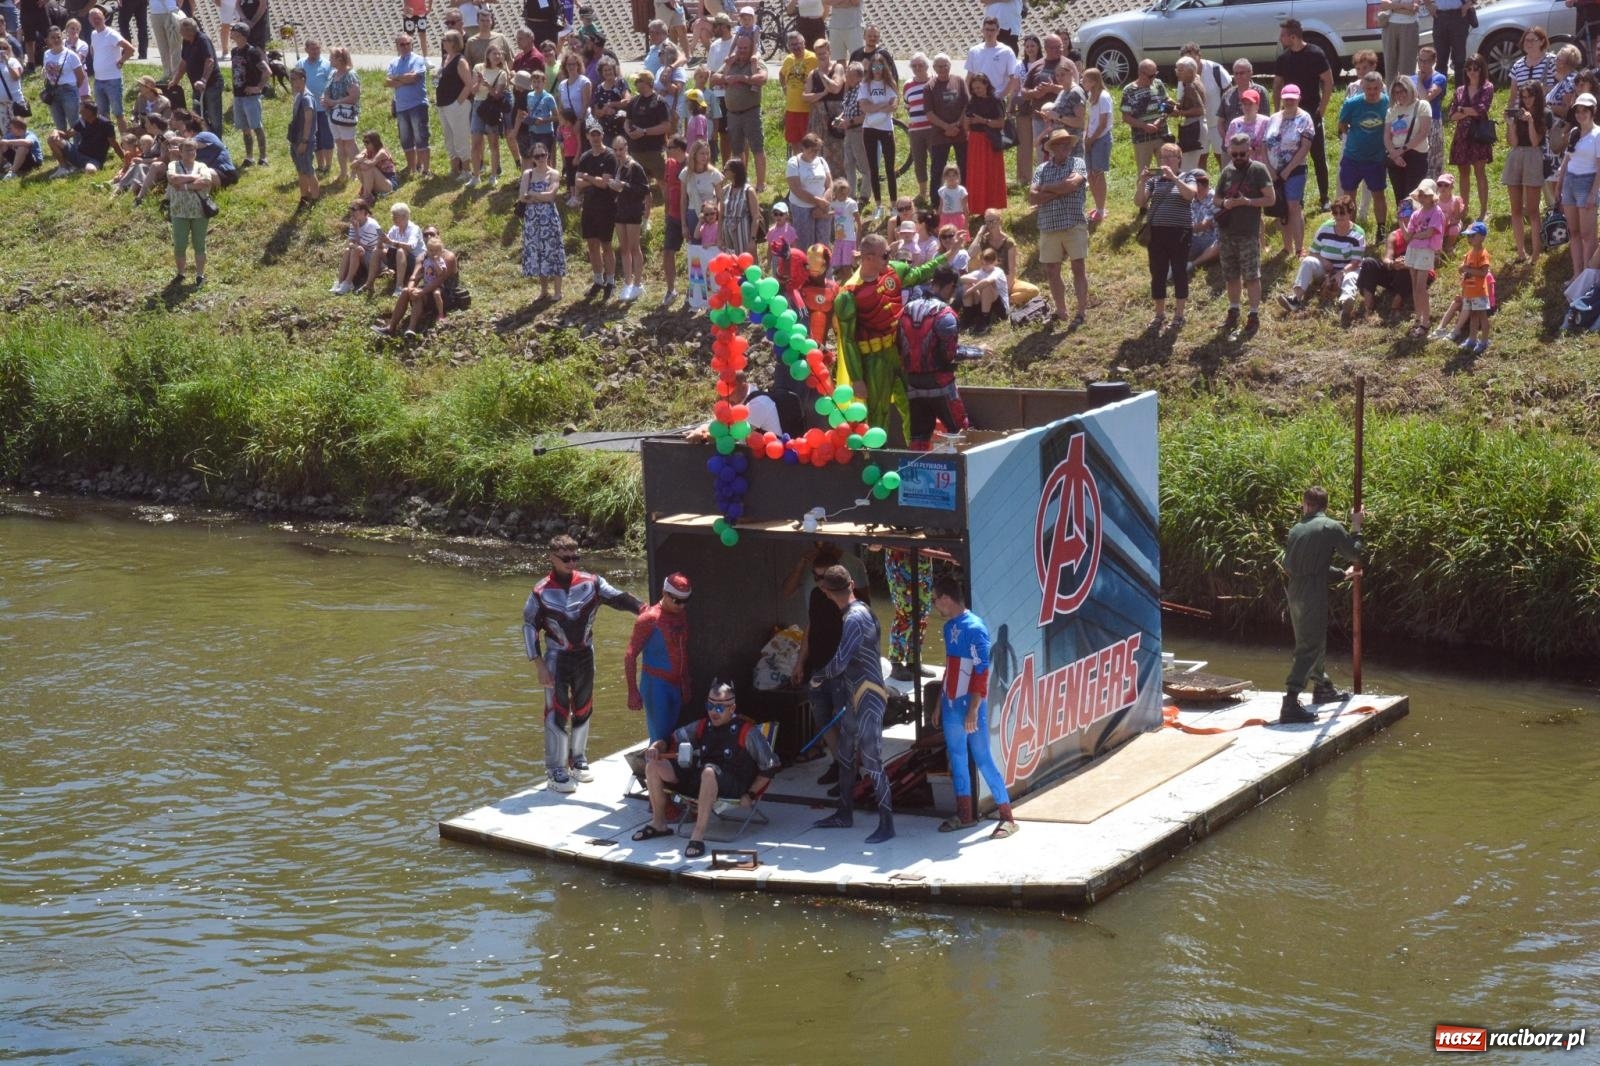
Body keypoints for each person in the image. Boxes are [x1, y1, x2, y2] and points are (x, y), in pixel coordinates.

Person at [522, 534, 643, 794]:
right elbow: (529, 626)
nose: (571, 562)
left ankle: (578, 759)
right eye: (565, 558)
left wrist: (646, 610)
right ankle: (555, 768)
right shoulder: (540, 591)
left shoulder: (592, 583)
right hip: (556, 658)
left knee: (584, 707)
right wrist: (538, 663)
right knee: (557, 710)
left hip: (585, 654)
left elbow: (620, 599)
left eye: (575, 557)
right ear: (551, 558)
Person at [630, 680, 780, 859]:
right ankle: (658, 823)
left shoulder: (748, 732)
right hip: (701, 779)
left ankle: (698, 835)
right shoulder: (702, 725)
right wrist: (656, 747)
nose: (713, 712)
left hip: (733, 784)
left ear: (732, 708)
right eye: (710, 706)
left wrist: (752, 794)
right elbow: (671, 740)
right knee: (653, 765)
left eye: (719, 708)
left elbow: (770, 766)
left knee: (708, 772)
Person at [809, 564, 894, 844]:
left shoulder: (854, 619)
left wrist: (818, 678)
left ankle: (887, 824)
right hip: (855, 693)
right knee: (846, 755)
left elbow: (840, 661)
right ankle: (844, 813)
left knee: (871, 759)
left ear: (827, 592)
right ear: (852, 584)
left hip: (867, 694)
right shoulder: (863, 610)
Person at [929, 575, 1018, 837]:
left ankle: (1007, 816)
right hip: (949, 703)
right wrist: (937, 704)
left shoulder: (976, 627)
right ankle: (966, 815)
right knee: (957, 758)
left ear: (946, 599)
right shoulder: (948, 628)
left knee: (982, 757)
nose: (934, 605)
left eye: (935, 600)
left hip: (969, 705)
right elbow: (949, 668)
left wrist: (973, 709)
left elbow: (981, 672)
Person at [1279, 486, 1365, 725]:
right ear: (1325, 506)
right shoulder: (1329, 526)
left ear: (1305, 504)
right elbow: (1356, 553)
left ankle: (1323, 687)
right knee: (1309, 647)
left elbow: (1297, 566)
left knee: (1311, 640)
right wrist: (1356, 526)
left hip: (1295, 592)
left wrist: (1341, 575)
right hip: (1311, 595)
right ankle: (1290, 702)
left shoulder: (1297, 529)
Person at [620, 571, 694, 746]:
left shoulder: (680, 615)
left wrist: (685, 682)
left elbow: (682, 650)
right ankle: (653, 770)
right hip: (656, 685)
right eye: (676, 600)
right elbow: (630, 655)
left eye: (685, 601)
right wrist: (632, 691)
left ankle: (663, 770)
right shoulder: (649, 619)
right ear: (664, 592)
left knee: (672, 737)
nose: (681, 606)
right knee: (659, 738)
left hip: (675, 684)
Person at [899, 264, 970, 447]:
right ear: (950, 286)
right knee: (960, 432)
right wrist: (974, 352)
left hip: (912, 383)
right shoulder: (946, 315)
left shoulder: (906, 309)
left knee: (918, 437)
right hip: (941, 384)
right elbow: (948, 354)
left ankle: (916, 474)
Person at [1216, 130, 1275, 338]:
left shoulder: (1259, 170)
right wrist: (1225, 203)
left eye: (1243, 154)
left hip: (1248, 232)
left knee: (1251, 276)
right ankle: (1233, 309)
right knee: (1231, 275)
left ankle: (1253, 313)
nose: (1239, 158)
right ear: (1230, 152)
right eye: (1235, 154)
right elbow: (1216, 199)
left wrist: (1247, 202)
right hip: (1227, 232)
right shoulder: (1227, 171)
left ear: (1250, 151)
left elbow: (1270, 199)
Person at [1134, 140, 1196, 331]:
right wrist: (1142, 182)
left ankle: (1179, 315)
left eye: (1170, 157)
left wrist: (1175, 179)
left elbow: (1190, 195)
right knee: (1158, 273)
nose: (1166, 160)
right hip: (1157, 233)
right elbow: (1139, 202)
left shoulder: (1188, 176)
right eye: (1163, 157)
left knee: (1179, 272)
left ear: (1179, 159)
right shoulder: (1154, 180)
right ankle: (1159, 314)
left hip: (1180, 233)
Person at [1031, 127, 1088, 326]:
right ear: (1052, 148)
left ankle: (1081, 311)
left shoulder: (1078, 163)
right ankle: (1061, 310)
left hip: (1073, 222)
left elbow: (1071, 186)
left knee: (1078, 266)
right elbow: (1032, 196)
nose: (1065, 147)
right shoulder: (1041, 169)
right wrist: (1059, 189)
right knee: (1052, 269)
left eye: (1067, 144)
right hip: (1048, 225)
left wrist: (1046, 188)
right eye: (1061, 144)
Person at [1273, 20, 1333, 210]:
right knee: (1291, 157)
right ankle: (1295, 197)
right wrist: (1277, 112)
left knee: (1318, 156)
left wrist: (1321, 110)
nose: (1280, 39)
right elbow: (1277, 84)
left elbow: (1328, 81)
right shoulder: (1283, 58)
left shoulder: (1315, 53)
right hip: (1289, 115)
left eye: (1283, 35)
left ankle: (1324, 197)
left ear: (1293, 36)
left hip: (1311, 113)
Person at [1279, 195, 1364, 313]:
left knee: (1350, 277)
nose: (1338, 217)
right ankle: (1295, 299)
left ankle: (1345, 304)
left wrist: (1341, 273)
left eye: (1342, 213)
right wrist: (1323, 261)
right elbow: (1313, 251)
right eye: (1335, 213)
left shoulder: (1357, 233)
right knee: (1307, 261)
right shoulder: (1325, 228)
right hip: (1325, 270)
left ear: (1350, 214)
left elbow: (1356, 261)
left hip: (1347, 270)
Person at [1338, 71, 1390, 241]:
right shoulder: (1352, 103)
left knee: (1378, 194)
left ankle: (1381, 230)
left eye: (1376, 88)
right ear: (1362, 87)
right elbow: (1342, 125)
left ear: (1381, 87)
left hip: (1376, 158)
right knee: (1348, 195)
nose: (1372, 92)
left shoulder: (1387, 102)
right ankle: (1350, 230)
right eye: (1368, 88)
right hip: (1353, 157)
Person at [1265, 84, 1314, 259]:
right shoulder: (1273, 118)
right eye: (1286, 98)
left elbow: (1305, 146)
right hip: (1274, 170)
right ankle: (1287, 247)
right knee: (1280, 208)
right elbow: (1265, 144)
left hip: (1295, 169)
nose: (1289, 101)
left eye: (1293, 98)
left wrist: (1288, 169)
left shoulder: (1305, 118)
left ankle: (1300, 247)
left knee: (1293, 206)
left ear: (1299, 98)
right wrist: (1270, 168)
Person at [1504, 81, 1548, 263]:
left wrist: (1530, 122)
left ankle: (1536, 252)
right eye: (1523, 97)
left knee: (1532, 209)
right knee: (1515, 209)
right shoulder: (1518, 114)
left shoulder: (1544, 114)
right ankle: (1521, 251)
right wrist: (1511, 124)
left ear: (1537, 97)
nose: (1526, 100)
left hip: (1533, 157)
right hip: (1516, 156)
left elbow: (1535, 141)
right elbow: (1512, 143)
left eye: (1530, 96)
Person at [714, 31, 765, 189]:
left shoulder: (755, 62)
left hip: (751, 112)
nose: (742, 50)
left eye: (745, 48)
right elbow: (713, 78)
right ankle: (740, 181)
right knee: (737, 150)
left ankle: (760, 184)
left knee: (757, 148)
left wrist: (741, 79)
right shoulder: (731, 63)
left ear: (751, 48)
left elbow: (763, 78)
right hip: (732, 114)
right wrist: (725, 78)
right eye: (740, 47)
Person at [383, 227, 456, 335]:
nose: (429, 237)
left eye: (432, 234)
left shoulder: (448, 256)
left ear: (438, 236)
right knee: (405, 291)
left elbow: (440, 279)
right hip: (428, 291)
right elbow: (414, 276)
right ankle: (391, 327)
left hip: (444, 294)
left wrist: (422, 291)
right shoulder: (422, 257)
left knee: (419, 294)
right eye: (425, 235)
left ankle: (412, 328)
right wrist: (411, 288)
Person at [1447, 54, 1494, 222]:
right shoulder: (1460, 90)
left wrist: (1462, 109)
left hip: (1479, 135)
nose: (1472, 72)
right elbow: (1452, 115)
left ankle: (1483, 210)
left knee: (1480, 171)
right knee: (1463, 172)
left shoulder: (1488, 87)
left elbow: (1481, 110)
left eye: (1476, 68)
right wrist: (1466, 110)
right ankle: (1464, 207)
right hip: (1462, 136)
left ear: (1482, 69)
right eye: (1469, 69)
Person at [574, 121, 618, 299]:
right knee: (592, 244)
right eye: (592, 134)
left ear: (602, 135)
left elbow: (603, 183)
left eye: (598, 134)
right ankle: (598, 280)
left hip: (606, 206)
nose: (595, 138)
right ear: (587, 136)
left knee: (606, 245)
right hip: (589, 206)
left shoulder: (610, 156)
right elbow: (577, 182)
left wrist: (587, 177)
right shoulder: (585, 157)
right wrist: (592, 180)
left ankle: (611, 280)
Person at [519, 139, 565, 300]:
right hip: (532, 219)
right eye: (537, 156)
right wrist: (540, 197)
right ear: (532, 158)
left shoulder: (553, 173)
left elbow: (551, 196)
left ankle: (558, 291)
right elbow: (522, 197)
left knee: (554, 251)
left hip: (549, 218)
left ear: (548, 155)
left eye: (543, 155)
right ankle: (544, 290)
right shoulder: (528, 174)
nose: (540, 158)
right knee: (538, 251)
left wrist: (533, 195)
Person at [165, 136, 214, 285]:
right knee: (180, 244)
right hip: (179, 212)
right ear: (180, 151)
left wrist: (186, 186)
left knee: (199, 244)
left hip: (199, 212)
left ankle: (200, 275)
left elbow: (206, 181)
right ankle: (180, 273)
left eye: (193, 149)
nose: (191, 152)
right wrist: (193, 177)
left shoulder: (202, 166)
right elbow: (172, 179)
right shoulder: (174, 164)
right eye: (187, 149)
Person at [859, 49, 898, 217]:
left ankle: (894, 204)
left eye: (880, 67)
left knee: (889, 168)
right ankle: (878, 204)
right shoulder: (865, 85)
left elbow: (894, 105)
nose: (877, 70)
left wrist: (875, 107)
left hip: (886, 129)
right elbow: (864, 107)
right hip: (870, 129)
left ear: (884, 68)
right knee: (873, 167)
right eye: (874, 67)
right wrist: (882, 106)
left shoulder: (890, 85)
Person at [610, 134, 649, 301]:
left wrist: (624, 186)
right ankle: (627, 282)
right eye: (616, 150)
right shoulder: (617, 167)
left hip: (633, 210)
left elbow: (644, 189)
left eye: (621, 149)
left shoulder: (635, 167)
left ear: (626, 148)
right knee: (624, 248)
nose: (618, 153)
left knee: (634, 247)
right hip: (620, 210)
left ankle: (638, 283)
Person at [386, 32, 431, 176]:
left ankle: (425, 169)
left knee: (421, 137)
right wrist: (403, 78)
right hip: (401, 107)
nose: (405, 47)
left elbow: (414, 78)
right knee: (405, 139)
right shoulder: (393, 62)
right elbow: (387, 82)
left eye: (408, 44)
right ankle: (411, 168)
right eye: (402, 44)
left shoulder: (418, 60)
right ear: (397, 46)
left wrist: (397, 78)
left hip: (417, 104)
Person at [467, 41, 511, 186]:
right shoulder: (478, 67)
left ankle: (493, 175)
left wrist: (487, 85)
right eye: (495, 53)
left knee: (494, 144)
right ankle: (476, 176)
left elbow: (498, 95)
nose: (497, 56)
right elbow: (473, 91)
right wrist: (479, 83)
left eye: (499, 54)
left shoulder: (502, 73)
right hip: (478, 106)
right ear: (488, 55)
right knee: (475, 143)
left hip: (492, 108)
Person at [963, 71, 1006, 218]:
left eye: (979, 88)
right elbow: (966, 122)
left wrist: (984, 121)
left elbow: (1000, 123)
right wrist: (967, 123)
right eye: (974, 89)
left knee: (992, 174)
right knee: (977, 174)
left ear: (986, 85)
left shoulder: (996, 101)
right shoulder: (972, 101)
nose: (976, 91)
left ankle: (993, 207)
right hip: (975, 141)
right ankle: (978, 207)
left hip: (990, 140)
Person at [85, 6, 134, 136]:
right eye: (93, 18)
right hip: (98, 80)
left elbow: (130, 49)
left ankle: (125, 141)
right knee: (102, 113)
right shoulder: (93, 34)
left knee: (118, 112)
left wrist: (121, 61)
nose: (96, 20)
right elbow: (93, 49)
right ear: (89, 20)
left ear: (104, 18)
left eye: (98, 18)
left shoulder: (111, 34)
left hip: (113, 79)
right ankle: (108, 140)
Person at [1384, 76, 1429, 211]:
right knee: (1399, 193)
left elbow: (1424, 132)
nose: (1400, 95)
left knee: (1411, 193)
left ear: (1410, 89)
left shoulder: (1422, 105)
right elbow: (1386, 135)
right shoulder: (1391, 110)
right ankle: (1402, 224)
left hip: (1415, 154)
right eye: (1396, 92)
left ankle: (1413, 224)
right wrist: (1394, 154)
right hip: (1395, 155)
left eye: (1403, 91)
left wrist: (1403, 149)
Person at [623, 67, 671, 193]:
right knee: (640, 184)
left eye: (638, 81)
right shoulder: (633, 101)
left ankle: (669, 211)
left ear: (647, 83)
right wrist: (629, 132)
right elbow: (627, 121)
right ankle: (643, 211)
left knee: (663, 182)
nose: (636, 83)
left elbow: (666, 126)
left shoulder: (660, 102)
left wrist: (644, 131)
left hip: (654, 150)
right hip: (636, 150)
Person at [1120, 58, 1168, 182]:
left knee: (1166, 170)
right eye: (1150, 76)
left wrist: (1160, 120)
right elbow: (1126, 116)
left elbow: (1165, 105)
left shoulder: (1158, 84)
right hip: (1142, 139)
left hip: (1162, 135)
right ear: (1141, 74)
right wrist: (1144, 126)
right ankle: (1143, 198)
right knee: (1144, 172)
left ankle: (1163, 196)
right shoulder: (1129, 90)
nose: (1153, 79)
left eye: (1155, 74)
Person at [925, 53, 967, 189]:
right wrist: (946, 127)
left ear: (950, 66)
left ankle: (965, 198)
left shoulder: (959, 81)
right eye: (940, 66)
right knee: (937, 169)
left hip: (960, 133)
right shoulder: (929, 87)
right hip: (939, 134)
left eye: (946, 65)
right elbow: (929, 113)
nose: (943, 69)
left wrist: (957, 124)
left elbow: (967, 105)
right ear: (934, 68)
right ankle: (937, 203)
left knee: (964, 166)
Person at [785, 132, 832, 252]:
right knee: (805, 244)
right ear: (803, 148)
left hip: (822, 207)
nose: (815, 153)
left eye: (817, 150)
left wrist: (822, 205)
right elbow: (796, 189)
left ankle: (824, 270)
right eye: (812, 150)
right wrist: (817, 201)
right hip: (802, 208)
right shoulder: (793, 163)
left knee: (823, 244)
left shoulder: (821, 161)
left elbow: (830, 184)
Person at [45, 97, 114, 176]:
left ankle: (76, 168)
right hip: (78, 153)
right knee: (52, 139)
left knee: (91, 170)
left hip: (94, 160)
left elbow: (114, 144)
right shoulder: (82, 122)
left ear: (89, 112)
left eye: (82, 109)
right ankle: (64, 168)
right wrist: (56, 131)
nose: (80, 112)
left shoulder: (106, 124)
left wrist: (124, 160)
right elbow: (67, 135)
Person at [323, 46, 361, 183]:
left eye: (331, 57)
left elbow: (354, 96)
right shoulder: (333, 73)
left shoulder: (350, 75)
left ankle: (355, 172)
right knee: (339, 143)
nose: (329, 60)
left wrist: (334, 102)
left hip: (345, 115)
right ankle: (343, 172)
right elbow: (327, 89)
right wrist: (325, 100)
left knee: (349, 143)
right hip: (332, 115)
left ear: (339, 59)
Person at [40, 26, 86, 134]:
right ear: (48, 40)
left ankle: (78, 148)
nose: (56, 40)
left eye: (58, 37)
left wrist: (73, 88)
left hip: (68, 90)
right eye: (53, 37)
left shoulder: (71, 55)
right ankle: (64, 149)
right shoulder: (46, 54)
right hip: (53, 91)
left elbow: (81, 76)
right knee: (59, 125)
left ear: (62, 37)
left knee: (74, 123)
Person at [331, 198, 382, 295]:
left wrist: (357, 230)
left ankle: (348, 282)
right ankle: (340, 281)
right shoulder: (354, 223)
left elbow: (361, 246)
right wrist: (353, 244)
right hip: (362, 255)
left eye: (354, 210)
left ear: (363, 211)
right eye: (351, 210)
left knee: (355, 250)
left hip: (373, 259)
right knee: (348, 250)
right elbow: (350, 243)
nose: (352, 213)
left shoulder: (371, 225)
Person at [298, 39, 334, 175]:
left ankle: (329, 165)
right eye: (312, 49)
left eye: (318, 48)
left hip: (323, 108)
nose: (315, 51)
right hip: (308, 109)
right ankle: (320, 165)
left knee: (327, 137)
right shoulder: (301, 64)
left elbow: (331, 84)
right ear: (306, 49)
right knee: (315, 138)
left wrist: (330, 100)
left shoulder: (327, 64)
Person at [1456, 219, 1492, 353]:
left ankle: (1484, 340)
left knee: (1482, 316)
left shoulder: (1483, 254)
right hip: (1469, 292)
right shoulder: (1469, 254)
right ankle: (1472, 339)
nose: (1469, 238)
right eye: (1468, 236)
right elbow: (1465, 269)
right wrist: (1462, 269)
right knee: (1473, 316)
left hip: (1479, 292)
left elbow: (1483, 273)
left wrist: (1467, 269)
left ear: (1482, 237)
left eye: (1473, 236)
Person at [1081, 68, 1112, 222]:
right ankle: (1098, 206)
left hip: (1100, 139)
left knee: (1098, 174)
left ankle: (1101, 208)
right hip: (1090, 138)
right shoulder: (1090, 96)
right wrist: (1086, 136)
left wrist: (1091, 139)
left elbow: (1103, 122)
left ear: (1093, 82)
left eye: (1085, 80)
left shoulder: (1103, 97)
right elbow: (1089, 119)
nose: (1082, 82)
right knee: (1091, 174)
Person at [286, 66, 320, 204]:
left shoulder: (307, 98)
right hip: (296, 139)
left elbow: (309, 120)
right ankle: (304, 196)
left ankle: (316, 197)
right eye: (290, 79)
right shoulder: (298, 96)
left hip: (304, 140)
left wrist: (304, 141)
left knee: (308, 170)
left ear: (303, 79)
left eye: (294, 79)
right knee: (301, 170)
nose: (291, 82)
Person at [381, 201, 425, 297]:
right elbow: (386, 246)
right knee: (378, 251)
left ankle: (399, 286)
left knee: (401, 250)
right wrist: (381, 241)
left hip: (416, 262)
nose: (393, 218)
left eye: (395, 216)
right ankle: (370, 282)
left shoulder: (414, 229)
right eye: (392, 216)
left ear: (404, 216)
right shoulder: (394, 228)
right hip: (400, 260)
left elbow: (410, 246)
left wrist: (391, 242)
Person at [1417, 45, 1447, 181]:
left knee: (1433, 162)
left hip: (1432, 122)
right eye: (1420, 60)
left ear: (1433, 62)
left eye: (1426, 61)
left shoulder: (1439, 78)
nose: (1422, 64)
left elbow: (1425, 99)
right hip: (1415, 122)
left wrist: (1419, 81)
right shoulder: (1411, 78)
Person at [1172, 55, 1206, 173]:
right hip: (1196, 125)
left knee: (1187, 167)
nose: (1177, 73)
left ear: (1190, 71)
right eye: (1177, 70)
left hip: (1194, 126)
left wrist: (1180, 112)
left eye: (1181, 70)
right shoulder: (1195, 80)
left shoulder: (1190, 86)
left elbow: (1200, 110)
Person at [718, 155, 757, 256]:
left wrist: (752, 240)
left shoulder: (748, 190)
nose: (723, 171)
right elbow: (721, 215)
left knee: (746, 265)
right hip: (727, 235)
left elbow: (755, 217)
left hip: (744, 233)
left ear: (734, 172)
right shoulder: (725, 190)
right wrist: (719, 237)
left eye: (726, 169)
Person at [351, 129, 398, 202]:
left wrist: (361, 160)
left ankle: (366, 196)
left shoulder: (382, 152)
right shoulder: (367, 151)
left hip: (389, 184)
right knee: (359, 166)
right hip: (378, 182)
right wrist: (358, 161)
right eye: (364, 142)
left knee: (368, 168)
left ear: (375, 142)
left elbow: (371, 163)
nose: (365, 144)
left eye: (367, 142)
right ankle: (368, 194)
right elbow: (352, 166)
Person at [0, 112, 41, 178]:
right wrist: (3, 142)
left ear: (18, 129)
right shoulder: (11, 135)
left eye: (11, 128)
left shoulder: (30, 135)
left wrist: (7, 142)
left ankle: (12, 173)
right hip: (19, 161)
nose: (10, 130)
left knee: (22, 147)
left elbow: (27, 143)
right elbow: (2, 141)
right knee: (2, 145)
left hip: (33, 163)